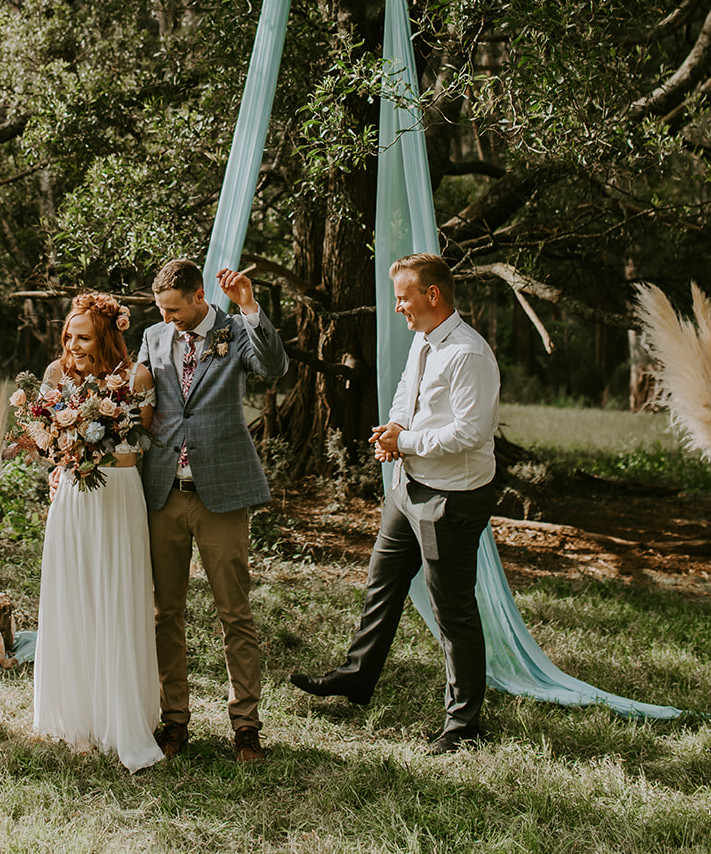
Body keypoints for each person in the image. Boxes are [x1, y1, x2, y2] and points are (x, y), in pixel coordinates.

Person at [290, 252, 499, 753]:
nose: (398, 306)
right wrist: (395, 429)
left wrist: (403, 443)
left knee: (453, 611)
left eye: (404, 297)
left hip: (451, 497)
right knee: (380, 587)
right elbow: (407, 393)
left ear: (432, 295)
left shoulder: (469, 354)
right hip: (407, 488)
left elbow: (472, 432)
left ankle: (463, 725)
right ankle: (357, 678)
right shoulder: (424, 341)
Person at [137, 258, 288, 765]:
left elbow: (272, 368)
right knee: (166, 613)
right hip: (162, 492)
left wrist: (249, 306)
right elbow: (139, 398)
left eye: (175, 309)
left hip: (220, 492)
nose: (168, 318)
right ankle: (173, 720)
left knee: (234, 612)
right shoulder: (154, 337)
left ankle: (246, 726)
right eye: (161, 310)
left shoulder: (233, 329)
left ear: (199, 297)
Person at [32, 291, 164, 773]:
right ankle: (77, 719)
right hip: (73, 497)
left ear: (107, 336)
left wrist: (99, 434)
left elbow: (139, 442)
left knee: (116, 598)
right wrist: (62, 451)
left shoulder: (138, 378)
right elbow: (48, 442)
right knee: (73, 597)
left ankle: (117, 716)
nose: (73, 344)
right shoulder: (54, 376)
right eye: (69, 336)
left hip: (119, 494)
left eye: (83, 336)